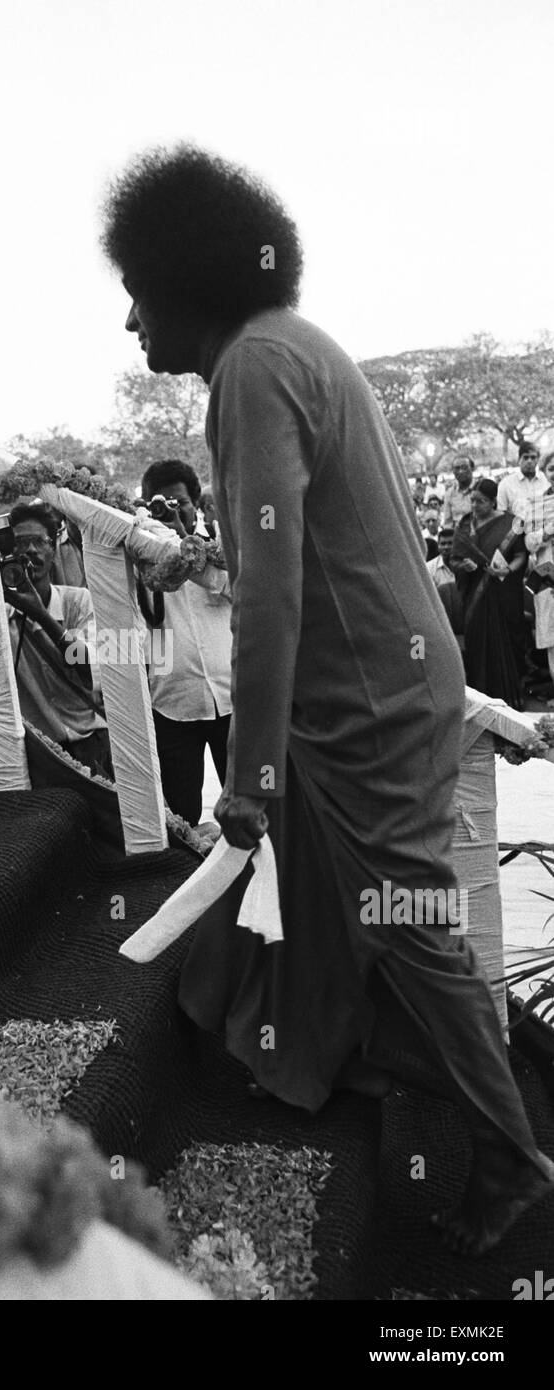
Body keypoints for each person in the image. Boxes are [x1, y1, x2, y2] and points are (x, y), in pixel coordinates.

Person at [100, 142, 554, 1256]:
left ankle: (511, 1156)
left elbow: (271, 598)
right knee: (311, 885)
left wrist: (247, 781)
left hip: (360, 699)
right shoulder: (286, 348)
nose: (127, 326)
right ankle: (299, 1057)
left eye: (132, 296)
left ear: (182, 279)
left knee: (401, 920)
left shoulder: (254, 367)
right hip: (382, 678)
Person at [138, 460, 233, 827]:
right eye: (159, 505)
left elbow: (237, 592)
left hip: (231, 698)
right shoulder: (136, 557)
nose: (169, 512)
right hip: (171, 703)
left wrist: (185, 549)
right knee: (181, 817)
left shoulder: (223, 551)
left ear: (197, 503)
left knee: (251, 811)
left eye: (179, 503)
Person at [2, 503, 112, 778]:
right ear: (7, 555)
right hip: (40, 751)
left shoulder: (78, 601)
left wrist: (40, 615)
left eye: (39, 542)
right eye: (20, 543)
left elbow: (88, 668)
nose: (30, 551)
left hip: (91, 743)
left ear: (53, 550)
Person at [451, 479, 527, 708]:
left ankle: (511, 699)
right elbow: (453, 558)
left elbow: (521, 556)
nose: (475, 505)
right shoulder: (465, 526)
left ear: (493, 501)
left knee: (509, 641)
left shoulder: (513, 524)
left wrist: (506, 570)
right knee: (477, 642)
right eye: (472, 500)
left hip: (504, 593)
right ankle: (481, 701)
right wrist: (463, 566)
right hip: (475, 596)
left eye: (481, 501)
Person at [524, 451, 554, 703]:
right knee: (553, 641)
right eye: (552, 468)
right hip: (548, 577)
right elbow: (529, 543)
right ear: (545, 472)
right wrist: (546, 533)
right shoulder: (537, 504)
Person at [497, 440, 549, 524]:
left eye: (533, 457)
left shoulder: (546, 480)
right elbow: (501, 513)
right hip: (516, 532)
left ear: (538, 460)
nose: (529, 461)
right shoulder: (506, 484)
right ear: (519, 460)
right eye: (526, 457)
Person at [441, 455, 476, 529]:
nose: (460, 471)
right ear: (453, 471)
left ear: (472, 468)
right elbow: (448, 522)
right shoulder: (449, 494)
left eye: (464, 467)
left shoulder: (480, 488)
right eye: (457, 468)